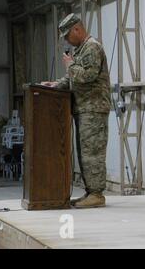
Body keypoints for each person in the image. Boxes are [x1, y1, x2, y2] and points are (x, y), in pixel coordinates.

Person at [41, 13, 111, 208]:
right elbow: (74, 78)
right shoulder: (81, 50)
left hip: (93, 108)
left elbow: (87, 76)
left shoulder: (92, 47)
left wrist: (70, 65)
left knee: (93, 153)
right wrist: (56, 84)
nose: (66, 39)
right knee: (85, 153)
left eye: (67, 35)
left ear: (77, 30)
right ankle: (91, 192)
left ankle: (97, 194)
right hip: (84, 108)